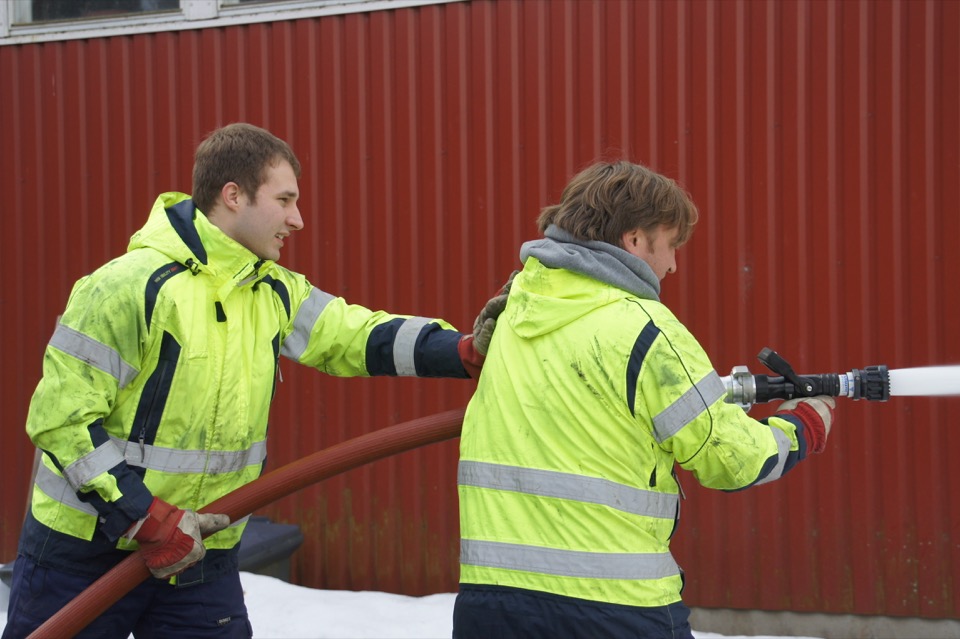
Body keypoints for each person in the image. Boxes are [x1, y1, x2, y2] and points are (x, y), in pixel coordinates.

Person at [2, 122, 504, 639]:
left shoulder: (272, 290)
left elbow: (357, 335)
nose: (298, 219)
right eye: (285, 200)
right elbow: (63, 420)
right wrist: (144, 519)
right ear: (233, 196)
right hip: (86, 552)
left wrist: (463, 350)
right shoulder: (126, 289)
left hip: (201, 550)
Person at [453, 160, 836, 639]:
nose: (673, 263)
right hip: (614, 611)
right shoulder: (644, 331)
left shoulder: (513, 312)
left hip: (490, 608)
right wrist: (804, 423)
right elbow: (734, 461)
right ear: (635, 240)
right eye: (670, 243)